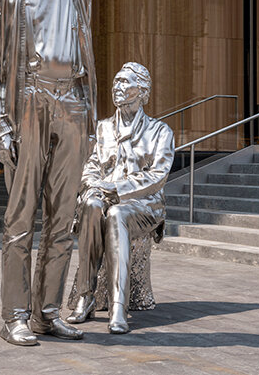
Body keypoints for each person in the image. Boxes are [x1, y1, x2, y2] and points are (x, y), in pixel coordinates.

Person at [0, 0, 97, 346]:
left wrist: (90, 118)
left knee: (64, 217)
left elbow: (87, 47)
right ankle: (15, 315)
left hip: (73, 104)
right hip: (28, 98)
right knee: (22, 215)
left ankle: (49, 311)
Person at [67, 62, 174, 334]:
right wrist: (92, 186)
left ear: (142, 91)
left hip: (143, 204)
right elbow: (90, 166)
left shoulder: (160, 131)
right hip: (103, 195)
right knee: (91, 205)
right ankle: (86, 296)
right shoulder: (103, 128)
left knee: (117, 214)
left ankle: (118, 305)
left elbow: (157, 177)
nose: (117, 86)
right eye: (116, 81)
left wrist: (117, 190)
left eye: (125, 82)